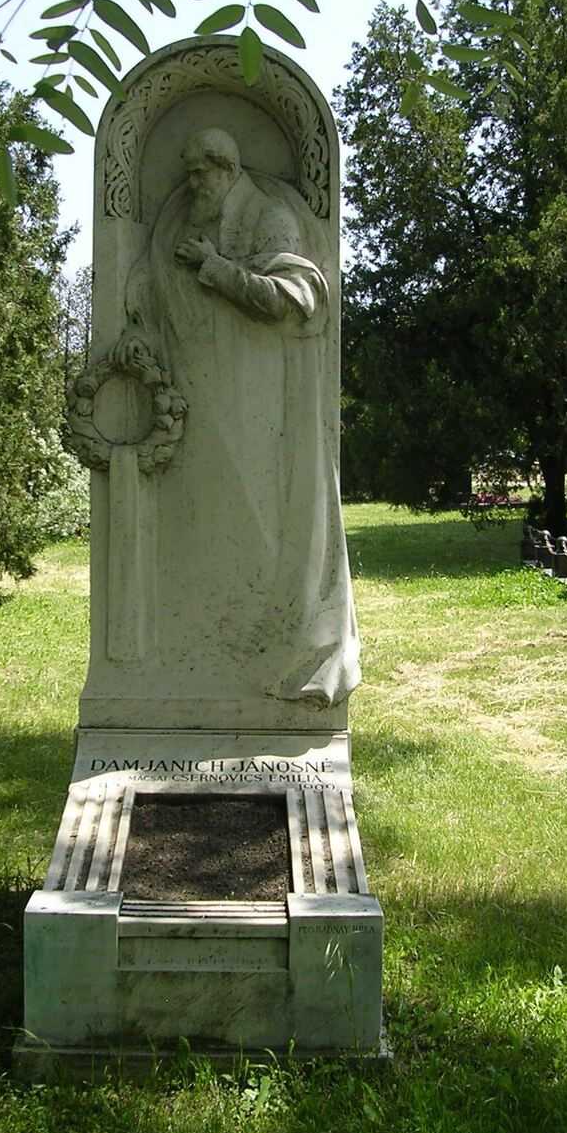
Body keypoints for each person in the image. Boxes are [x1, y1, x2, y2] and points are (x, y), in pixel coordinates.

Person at [116, 126, 360, 712]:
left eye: (199, 171)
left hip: (262, 400)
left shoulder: (269, 217)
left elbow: (293, 298)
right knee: (207, 519)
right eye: (187, 172)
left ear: (224, 167)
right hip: (202, 396)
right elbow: (150, 286)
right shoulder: (186, 220)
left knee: (259, 521)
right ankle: (202, 657)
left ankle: (267, 649)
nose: (191, 182)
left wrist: (217, 268)